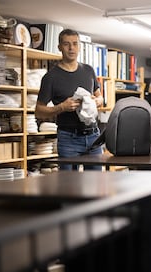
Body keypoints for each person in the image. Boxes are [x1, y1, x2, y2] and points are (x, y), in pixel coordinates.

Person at [35, 28, 103, 171]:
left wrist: (97, 101)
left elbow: (99, 96)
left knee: (96, 184)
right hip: (68, 139)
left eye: (75, 44)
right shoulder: (51, 77)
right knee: (69, 187)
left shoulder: (89, 71)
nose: (71, 48)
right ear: (59, 47)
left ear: (79, 46)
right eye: (66, 44)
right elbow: (39, 112)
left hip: (93, 136)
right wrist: (61, 107)